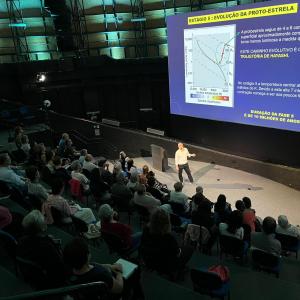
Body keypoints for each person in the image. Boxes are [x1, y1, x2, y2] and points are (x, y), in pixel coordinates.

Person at [17, 210, 66, 288]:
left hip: (34, 277)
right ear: (42, 226)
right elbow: (60, 267)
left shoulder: (21, 240)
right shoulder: (46, 245)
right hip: (51, 279)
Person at [140, 208, 193, 277]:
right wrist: (179, 249)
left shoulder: (146, 230)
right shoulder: (169, 238)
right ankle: (178, 269)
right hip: (165, 265)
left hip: (149, 261)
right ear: (167, 222)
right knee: (189, 248)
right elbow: (177, 254)